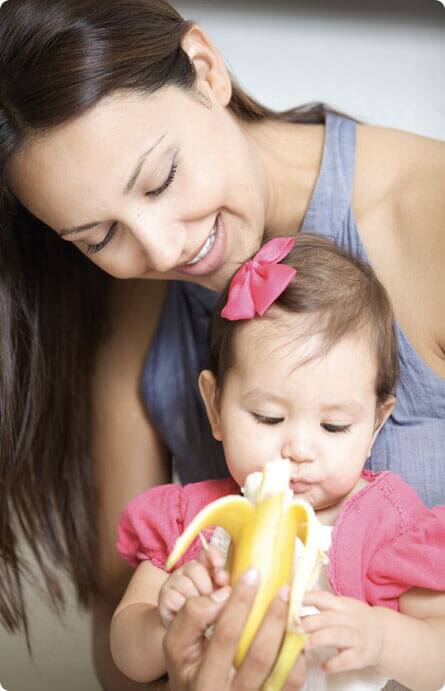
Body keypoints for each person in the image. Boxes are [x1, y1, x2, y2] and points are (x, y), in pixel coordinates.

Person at [0, 0, 443, 688]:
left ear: (206, 69)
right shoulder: (138, 294)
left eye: (160, 178)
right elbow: (121, 639)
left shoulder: (429, 215)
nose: (163, 248)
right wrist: (175, 660)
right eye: (98, 237)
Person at [109, 235, 445, 689]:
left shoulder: (391, 525)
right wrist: (162, 621)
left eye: (335, 426)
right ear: (215, 406)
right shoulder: (195, 523)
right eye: (269, 417)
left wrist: (383, 638)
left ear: (376, 424)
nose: (299, 450)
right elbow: (129, 655)